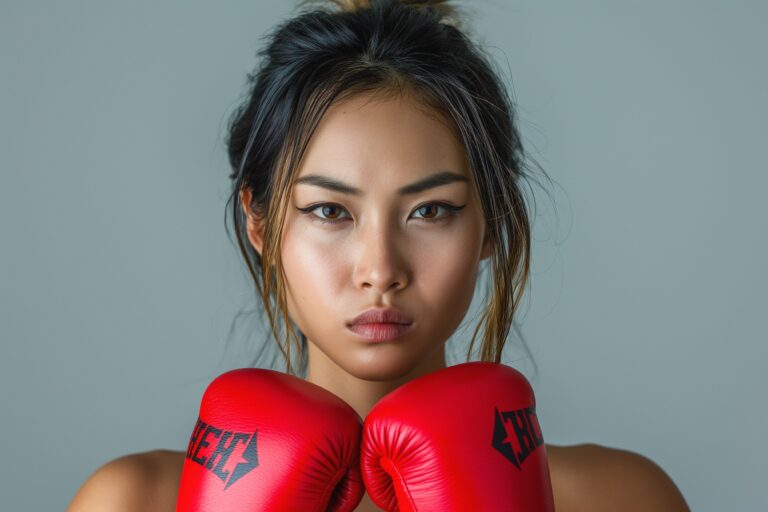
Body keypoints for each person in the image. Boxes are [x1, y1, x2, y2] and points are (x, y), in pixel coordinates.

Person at [67, 0, 690, 510]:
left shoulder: (622, 499)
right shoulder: (131, 502)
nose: (380, 270)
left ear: (491, 225)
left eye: (431, 210)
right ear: (259, 222)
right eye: (330, 212)